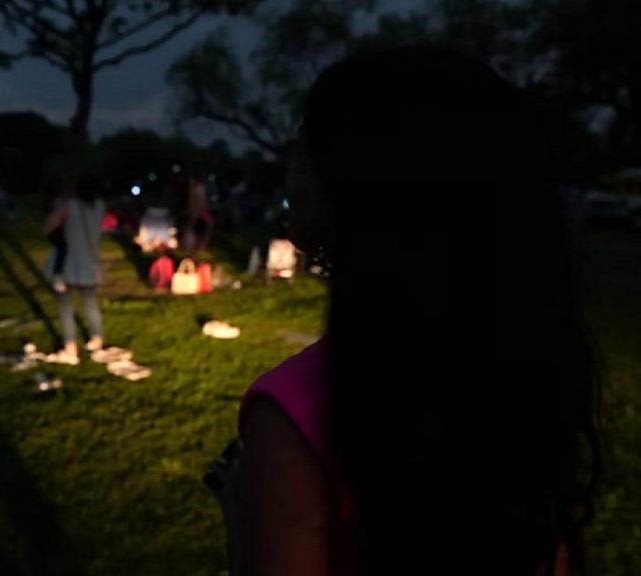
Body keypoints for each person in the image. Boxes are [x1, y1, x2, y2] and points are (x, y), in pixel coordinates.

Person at [239, 49, 602, 575]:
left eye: (308, 143)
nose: (292, 158)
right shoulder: (529, 358)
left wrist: (242, 527)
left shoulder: (296, 410)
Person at [43, 173, 106, 365]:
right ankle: (97, 340)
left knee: (66, 308)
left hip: (68, 266)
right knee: (91, 305)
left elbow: (47, 228)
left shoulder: (69, 206)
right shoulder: (100, 205)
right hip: (91, 265)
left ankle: (71, 349)